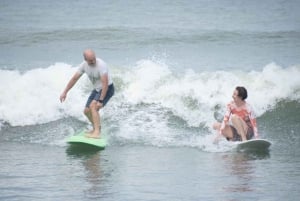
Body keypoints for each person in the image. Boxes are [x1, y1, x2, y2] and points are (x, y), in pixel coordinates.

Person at [60, 49, 114, 138]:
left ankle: (97, 133)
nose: (93, 61)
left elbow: (105, 84)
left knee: (93, 106)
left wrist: (100, 100)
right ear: (85, 59)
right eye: (90, 60)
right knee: (86, 111)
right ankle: (97, 128)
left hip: (107, 88)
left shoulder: (101, 65)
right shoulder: (84, 66)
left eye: (94, 59)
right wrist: (65, 92)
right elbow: (74, 79)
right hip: (97, 89)